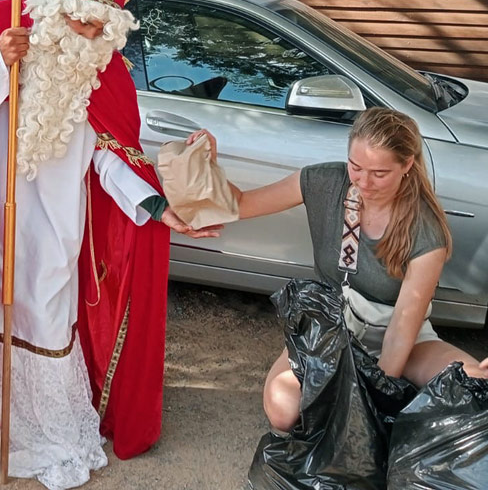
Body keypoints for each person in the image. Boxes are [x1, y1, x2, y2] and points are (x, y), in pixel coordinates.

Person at [0, 0, 219, 490]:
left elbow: (115, 158)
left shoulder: (105, 70)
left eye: (98, 27)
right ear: (56, 0)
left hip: (60, 220)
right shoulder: (5, 27)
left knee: (44, 305)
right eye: (76, 17)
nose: (83, 32)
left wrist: (158, 209)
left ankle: (42, 431)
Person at [200, 107, 488, 433]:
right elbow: (240, 205)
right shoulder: (324, 181)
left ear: (407, 165)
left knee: (472, 383)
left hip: (399, 334)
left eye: (379, 173)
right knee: (284, 410)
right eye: (356, 167)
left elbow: (400, 333)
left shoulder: (426, 231)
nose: (364, 182)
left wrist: (367, 398)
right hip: (329, 326)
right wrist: (207, 164)